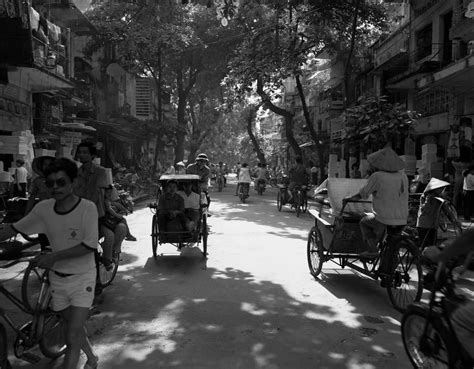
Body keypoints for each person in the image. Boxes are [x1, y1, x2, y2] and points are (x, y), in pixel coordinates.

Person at [0, 158, 99, 369]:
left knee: (71, 335)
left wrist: (53, 257)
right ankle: (91, 357)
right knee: (72, 326)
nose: (55, 187)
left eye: (61, 182)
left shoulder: (87, 209)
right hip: (58, 279)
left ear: (73, 182)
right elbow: (13, 229)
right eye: (50, 183)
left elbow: (89, 246)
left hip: (83, 278)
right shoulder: (44, 209)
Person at [344, 146, 409, 257]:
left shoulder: (377, 176)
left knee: (364, 222)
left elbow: (362, 194)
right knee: (392, 243)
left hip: (383, 218)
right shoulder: (403, 176)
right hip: (402, 218)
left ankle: (373, 249)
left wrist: (349, 199)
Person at [424, 230, 474, 359]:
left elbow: (443, 260)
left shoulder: (446, 247)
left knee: (459, 320)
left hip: (451, 257)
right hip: (454, 259)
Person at [417, 178, 459, 249]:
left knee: (432, 245)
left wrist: (454, 221)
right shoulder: (425, 197)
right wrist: (428, 201)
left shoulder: (440, 198)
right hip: (423, 225)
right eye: (440, 188)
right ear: (434, 189)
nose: (442, 190)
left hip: (433, 225)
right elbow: (425, 210)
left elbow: (447, 211)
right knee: (425, 246)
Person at [25, 155, 55, 252]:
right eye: (45, 164)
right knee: (44, 242)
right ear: (41, 166)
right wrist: (27, 213)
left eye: (50, 164)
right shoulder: (37, 181)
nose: (47, 166)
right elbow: (31, 198)